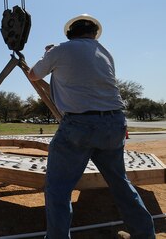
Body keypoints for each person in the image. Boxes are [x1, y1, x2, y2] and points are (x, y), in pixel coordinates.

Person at [28, 14, 155, 238]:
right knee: (120, 183)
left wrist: (48, 55)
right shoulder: (105, 53)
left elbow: (33, 74)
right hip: (114, 122)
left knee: (58, 189)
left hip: (79, 125)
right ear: (94, 33)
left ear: (69, 33)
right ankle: (144, 234)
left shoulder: (60, 50)